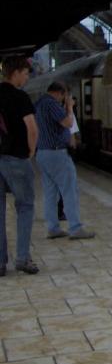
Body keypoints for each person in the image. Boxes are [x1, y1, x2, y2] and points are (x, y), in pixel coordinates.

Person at [34, 82, 94, 240]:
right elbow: (67, 123)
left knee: (50, 192)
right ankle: (75, 228)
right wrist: (69, 107)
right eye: (65, 96)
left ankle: (53, 228)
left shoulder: (39, 103)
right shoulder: (52, 104)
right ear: (60, 93)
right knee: (69, 190)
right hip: (56, 153)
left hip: (42, 152)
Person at [0, 55, 40, 275]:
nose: (26, 78)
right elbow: (32, 128)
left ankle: (0, 263)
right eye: (25, 73)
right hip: (16, 158)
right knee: (24, 207)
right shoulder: (20, 97)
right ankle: (23, 259)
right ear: (15, 73)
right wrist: (30, 151)